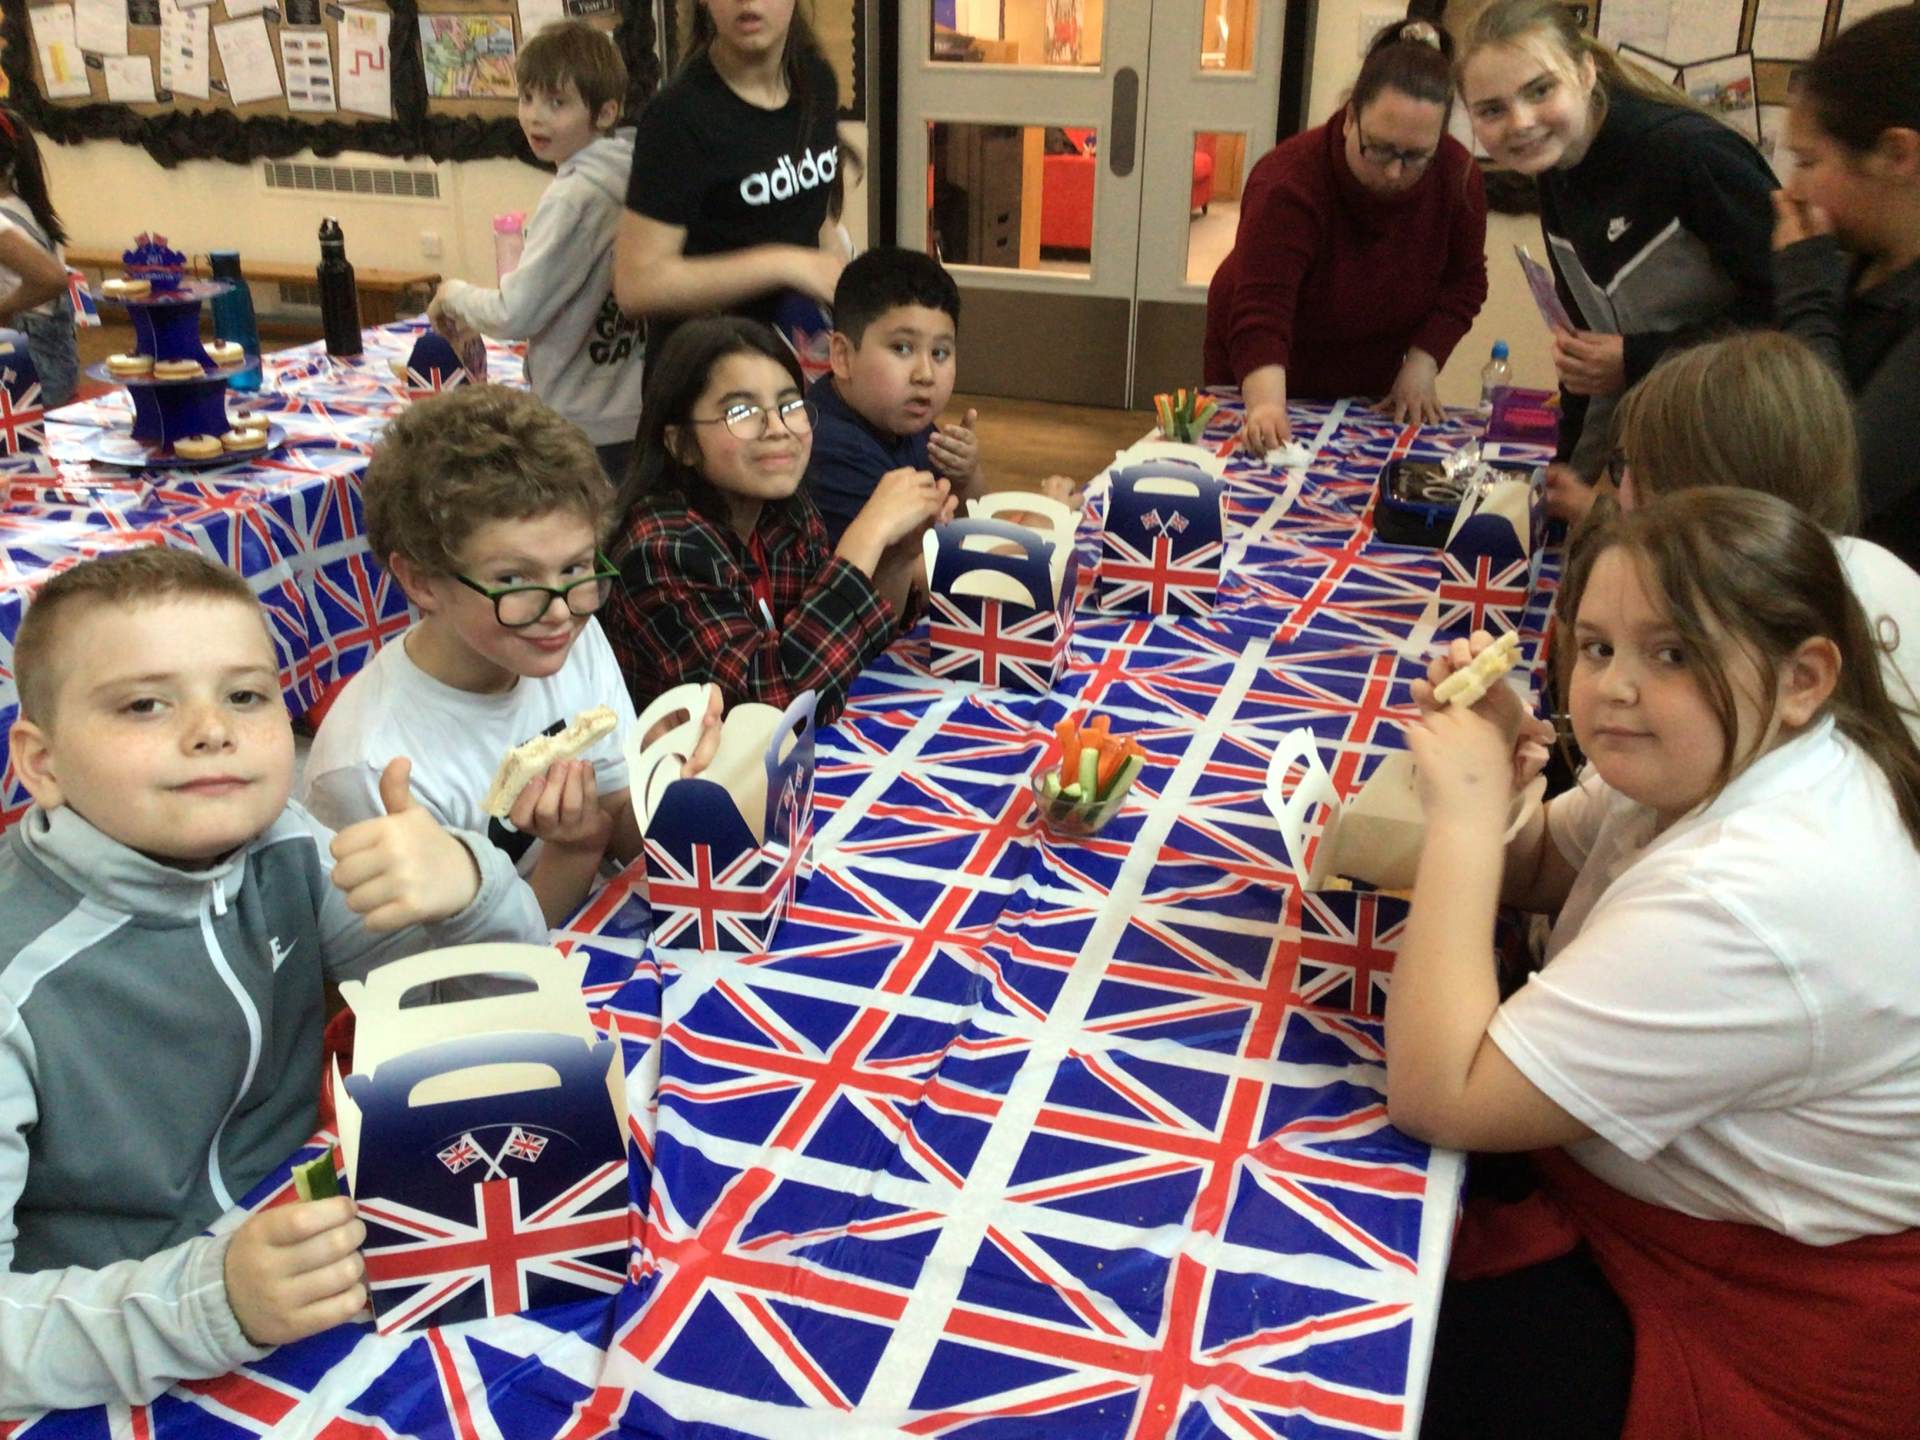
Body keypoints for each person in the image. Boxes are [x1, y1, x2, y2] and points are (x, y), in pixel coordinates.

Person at [1387, 491, 1920, 1437]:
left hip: (1753, 1314)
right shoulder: (1720, 755)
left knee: (1383, 1339)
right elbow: (1545, 868)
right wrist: (1501, 774)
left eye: (1671, 653)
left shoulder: (1755, 893)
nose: (1615, 688)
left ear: (1803, 679)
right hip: (1663, 1211)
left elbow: (1439, 1095)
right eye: (1597, 648)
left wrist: (1463, 816)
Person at [0, 547, 545, 1414]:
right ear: (43, 763)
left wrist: (472, 893)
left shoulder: (287, 843)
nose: (211, 730)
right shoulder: (15, 983)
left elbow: (484, 1036)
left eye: (246, 696)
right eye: (144, 704)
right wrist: (212, 1302)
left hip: (312, 1246)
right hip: (106, 1349)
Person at [301, 385, 699, 927]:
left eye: (576, 568)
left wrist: (673, 781)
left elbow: (621, 820)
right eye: (513, 579)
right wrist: (575, 849)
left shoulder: (569, 635)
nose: (558, 610)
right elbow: (460, 966)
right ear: (420, 581)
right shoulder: (371, 766)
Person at [1457, 0, 1776, 517]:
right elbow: (1587, 354)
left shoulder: (1689, 155)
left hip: (1742, 467)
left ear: (1585, 73)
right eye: (1492, 110)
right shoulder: (1556, 171)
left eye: (1540, 90)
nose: (1520, 122)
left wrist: (1636, 359)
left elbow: (1792, 319)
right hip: (1658, 457)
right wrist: (1567, 475)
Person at [600, 316, 951, 723]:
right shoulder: (660, 549)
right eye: (742, 411)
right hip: (694, 762)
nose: (778, 429)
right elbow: (772, 708)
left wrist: (899, 556)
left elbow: (840, 654)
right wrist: (866, 536)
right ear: (681, 444)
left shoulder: (783, 512)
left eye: (790, 406)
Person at [1203, 19, 1488, 453]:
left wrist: (1422, 362)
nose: (1394, 172)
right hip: (1263, 367)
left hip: (1368, 375)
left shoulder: (1457, 176)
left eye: (1416, 157)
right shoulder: (1288, 181)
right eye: (1381, 148)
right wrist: (1266, 406)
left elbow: (1465, 282)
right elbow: (1263, 309)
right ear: (1351, 117)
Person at [1609, 330, 1920, 727]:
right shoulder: (1873, 562)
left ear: (1695, 488)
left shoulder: (1743, 625)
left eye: (1632, 467)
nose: (1622, 492)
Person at [427, 22, 646, 483]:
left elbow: (516, 312)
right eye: (526, 98)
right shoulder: (634, 170)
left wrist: (454, 294)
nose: (534, 117)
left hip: (583, 421)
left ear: (605, 112)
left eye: (557, 103)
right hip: (631, 407)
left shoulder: (573, 197)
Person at [613, 0, 849, 365]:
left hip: (792, 352)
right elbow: (637, 286)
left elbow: (815, 212)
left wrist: (844, 290)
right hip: (708, 367)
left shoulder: (817, 81)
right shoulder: (676, 115)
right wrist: (785, 263)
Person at [1772, 4, 1920, 571]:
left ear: (1897, 154)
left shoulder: (1820, 271)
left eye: (1809, 161)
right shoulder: (1858, 259)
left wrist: (1806, 293)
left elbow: (1839, 486)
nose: (1792, 189)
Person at [807, 246, 1078, 550]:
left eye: (939, 353)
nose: (925, 374)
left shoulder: (898, 414)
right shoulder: (830, 450)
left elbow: (972, 524)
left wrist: (966, 476)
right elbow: (931, 570)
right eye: (902, 348)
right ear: (842, 356)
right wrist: (1041, 527)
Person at [0, 107, 76, 408]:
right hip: (57, 368)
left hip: (28, 373)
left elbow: (51, 279)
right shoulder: (25, 207)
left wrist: (4, 307)